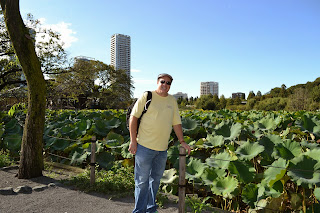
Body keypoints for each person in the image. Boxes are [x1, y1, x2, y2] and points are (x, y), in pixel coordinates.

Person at [128, 73, 191, 213]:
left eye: (168, 83)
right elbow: (133, 118)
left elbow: (176, 123)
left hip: (162, 150)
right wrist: (133, 141)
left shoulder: (172, 101)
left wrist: (182, 141)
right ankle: (139, 211)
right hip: (144, 147)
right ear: (157, 82)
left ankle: (151, 209)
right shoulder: (147, 96)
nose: (165, 85)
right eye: (163, 81)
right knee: (142, 182)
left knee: (155, 181)